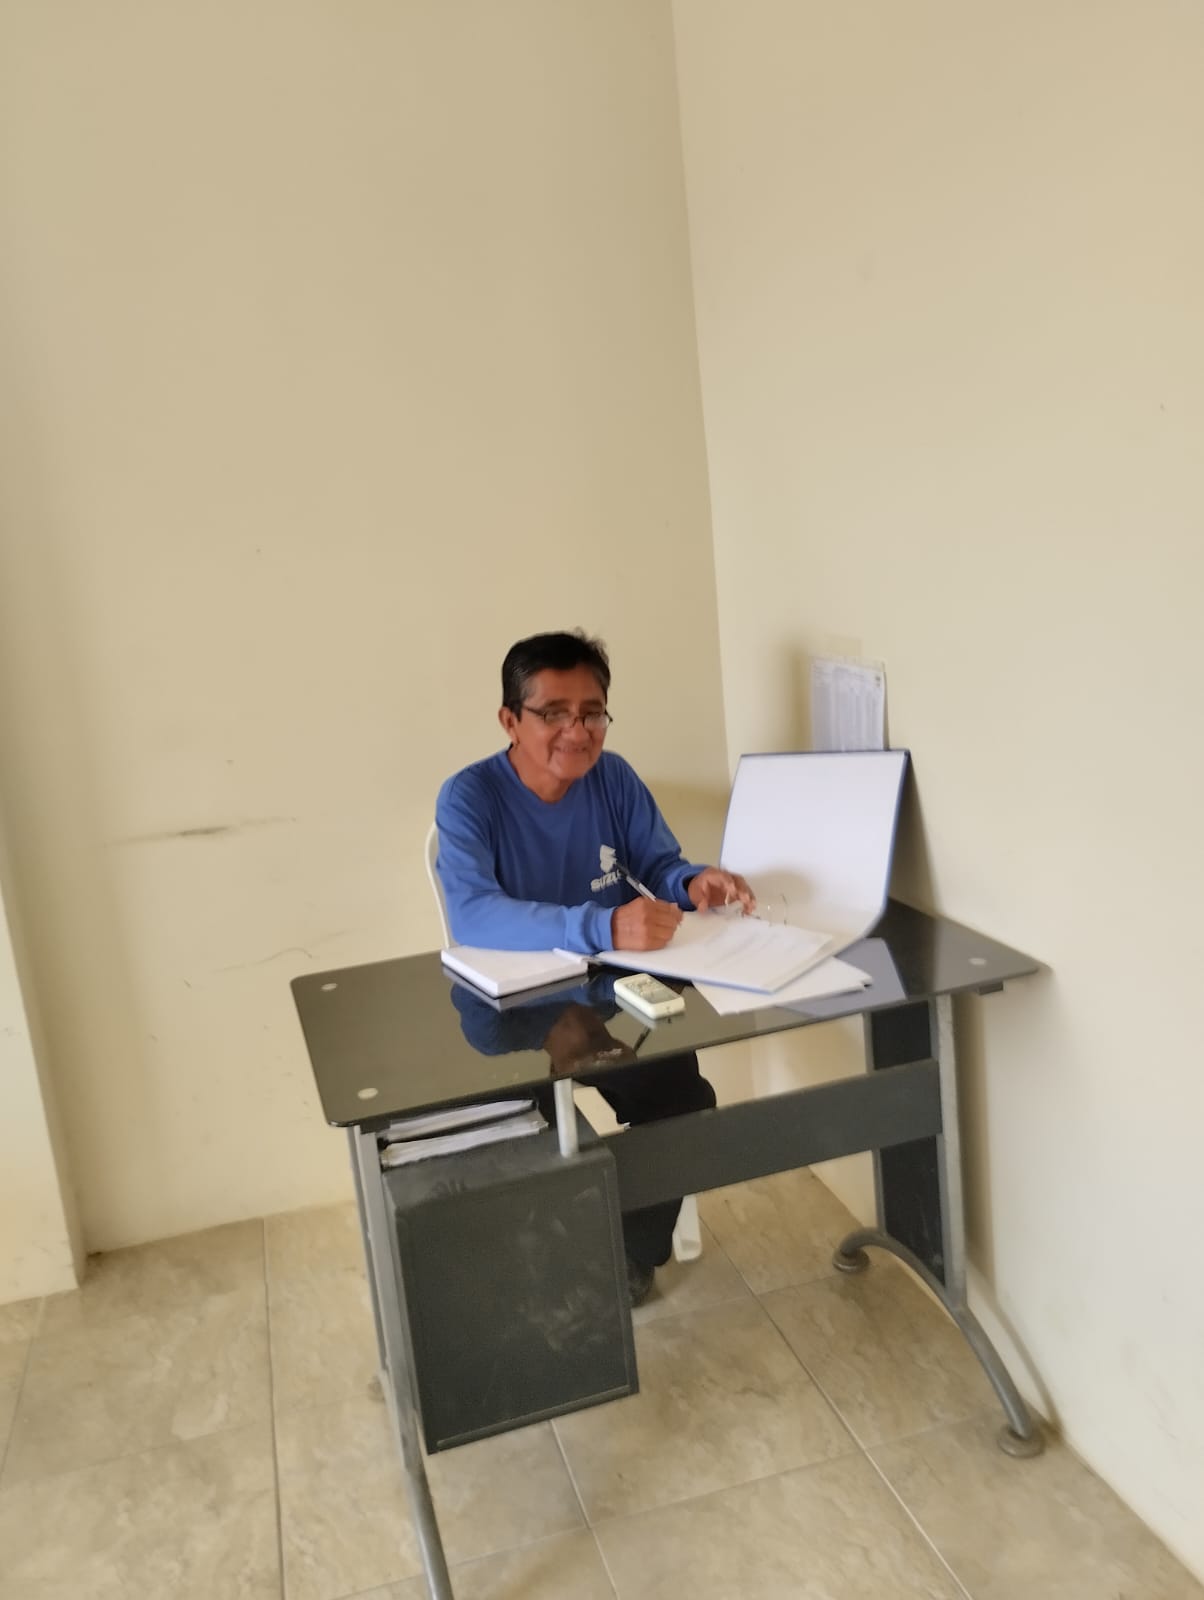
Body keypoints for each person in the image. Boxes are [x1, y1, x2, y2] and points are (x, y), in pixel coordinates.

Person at [435, 628, 754, 1304]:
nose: (577, 732)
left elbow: (658, 863)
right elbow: (472, 914)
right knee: (522, 1138)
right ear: (510, 720)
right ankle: (543, 1261)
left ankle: (631, 1254)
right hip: (514, 1015)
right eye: (553, 713)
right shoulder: (469, 796)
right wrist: (601, 925)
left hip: (613, 996)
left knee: (684, 1105)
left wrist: (692, 882)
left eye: (592, 713)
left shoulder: (613, 777)